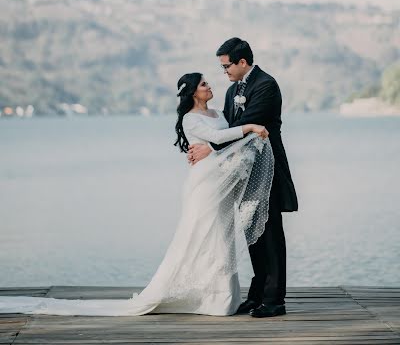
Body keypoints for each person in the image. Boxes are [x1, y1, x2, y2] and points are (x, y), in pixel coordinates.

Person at [0, 72, 274, 317]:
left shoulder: (218, 112)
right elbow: (218, 139)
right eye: (203, 84)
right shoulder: (190, 119)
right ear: (193, 92)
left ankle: (225, 297)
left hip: (222, 183)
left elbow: (224, 139)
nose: (209, 85)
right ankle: (211, 299)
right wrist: (249, 128)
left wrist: (229, 142)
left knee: (222, 236)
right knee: (203, 235)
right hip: (204, 185)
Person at [188, 38, 298, 318]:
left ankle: (275, 300)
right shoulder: (230, 91)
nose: (223, 71)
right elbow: (227, 126)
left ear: (243, 62)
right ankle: (258, 294)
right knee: (253, 230)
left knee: (270, 232)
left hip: (268, 168)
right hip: (244, 171)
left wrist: (210, 147)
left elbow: (245, 124)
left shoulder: (266, 85)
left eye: (226, 66)